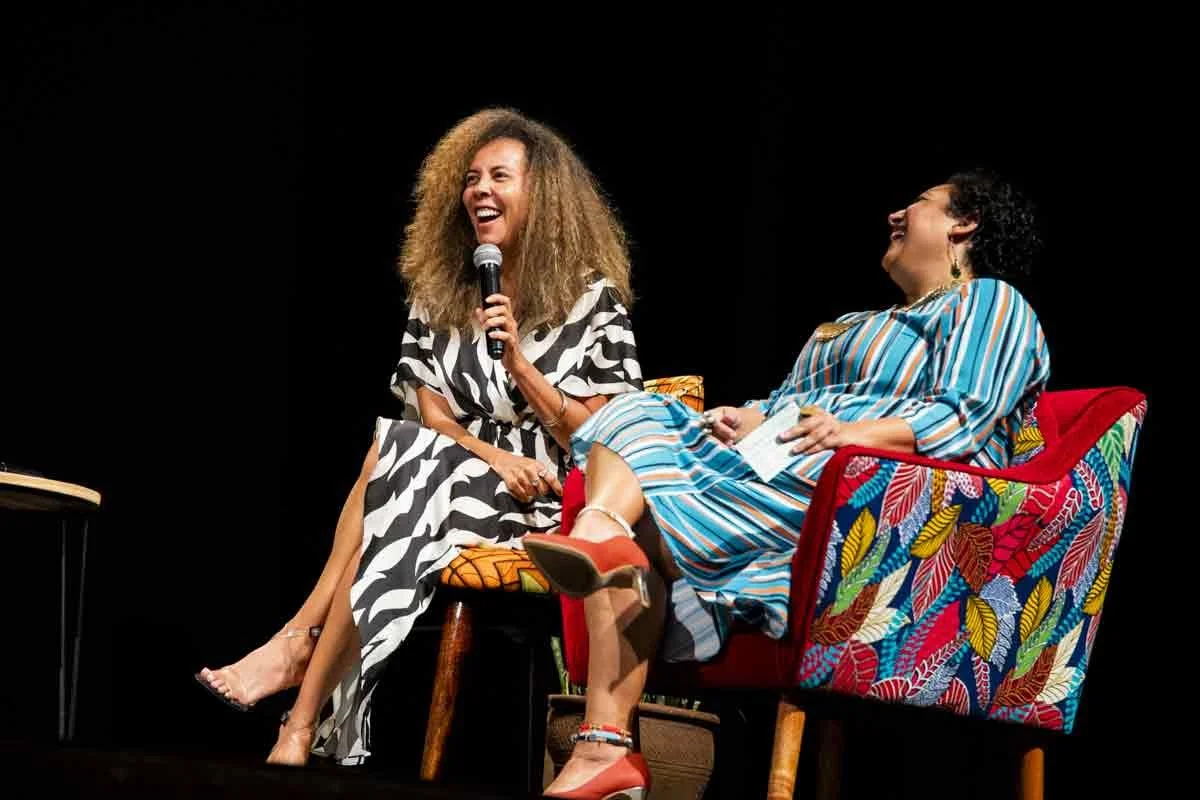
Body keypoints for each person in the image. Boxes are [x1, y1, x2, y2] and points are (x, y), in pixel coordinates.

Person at [523, 170, 1051, 798]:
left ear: (963, 224)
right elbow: (791, 409)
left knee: (643, 502)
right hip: (789, 470)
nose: (896, 214)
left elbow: (961, 415)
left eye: (919, 203)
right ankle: (603, 740)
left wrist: (852, 434)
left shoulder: (990, 302)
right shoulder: (851, 323)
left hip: (882, 502)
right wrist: (750, 418)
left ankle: (607, 574)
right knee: (633, 414)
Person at [196, 108, 642, 766]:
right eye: (470, 178)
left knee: (393, 458)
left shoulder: (593, 301)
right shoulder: (443, 294)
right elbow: (432, 414)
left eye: (499, 176)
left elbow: (601, 435)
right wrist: (492, 454)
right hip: (454, 470)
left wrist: (519, 364)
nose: (480, 190)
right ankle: (296, 717)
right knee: (401, 448)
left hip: (549, 492)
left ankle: (299, 673)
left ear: (543, 195)